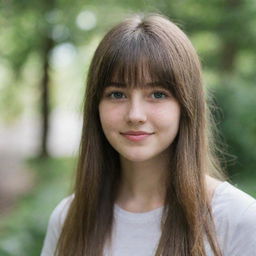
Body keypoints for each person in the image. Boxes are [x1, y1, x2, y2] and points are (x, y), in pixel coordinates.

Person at [40, 13, 256, 256]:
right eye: (117, 94)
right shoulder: (69, 217)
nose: (135, 115)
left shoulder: (239, 220)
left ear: (186, 106)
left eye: (157, 94)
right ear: (96, 106)